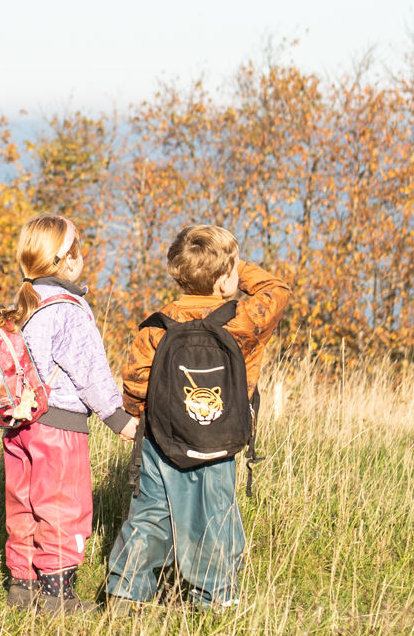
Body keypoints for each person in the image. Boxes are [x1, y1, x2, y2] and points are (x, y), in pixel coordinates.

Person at [105, 225, 291, 611]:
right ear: (226, 280)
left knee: (151, 513)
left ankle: (125, 591)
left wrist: (141, 417)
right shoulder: (243, 321)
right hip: (218, 441)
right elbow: (277, 291)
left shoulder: (158, 324)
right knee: (216, 518)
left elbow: (135, 380)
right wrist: (238, 268)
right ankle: (215, 597)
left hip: (161, 439)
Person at [0, 214, 139, 615]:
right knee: (62, 505)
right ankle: (57, 594)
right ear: (68, 261)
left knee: (23, 503)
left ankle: (22, 586)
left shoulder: (27, 302)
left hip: (18, 426)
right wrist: (117, 418)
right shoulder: (69, 308)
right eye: (79, 248)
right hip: (59, 425)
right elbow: (90, 370)